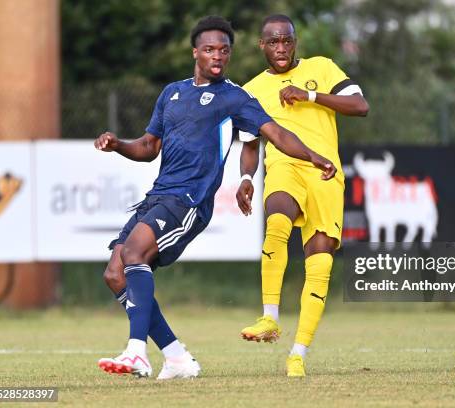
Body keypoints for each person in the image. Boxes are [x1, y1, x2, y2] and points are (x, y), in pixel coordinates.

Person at [95, 15, 336, 380]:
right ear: (196, 52)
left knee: (133, 255)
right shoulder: (171, 93)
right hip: (159, 195)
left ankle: (137, 352)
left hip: (190, 200)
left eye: (224, 50)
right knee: (116, 273)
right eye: (209, 49)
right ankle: (177, 358)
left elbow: (276, 133)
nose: (217, 56)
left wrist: (313, 155)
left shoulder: (235, 98)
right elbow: (148, 147)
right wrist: (117, 146)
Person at [236, 14, 369, 377]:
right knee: (276, 221)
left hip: (326, 172)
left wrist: (309, 94)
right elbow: (249, 144)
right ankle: (269, 317)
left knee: (321, 263)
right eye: (273, 42)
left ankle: (297, 354)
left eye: (287, 41)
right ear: (261, 45)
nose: (281, 48)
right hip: (285, 167)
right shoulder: (251, 90)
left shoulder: (322, 67)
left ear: (296, 43)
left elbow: (360, 106)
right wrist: (247, 176)